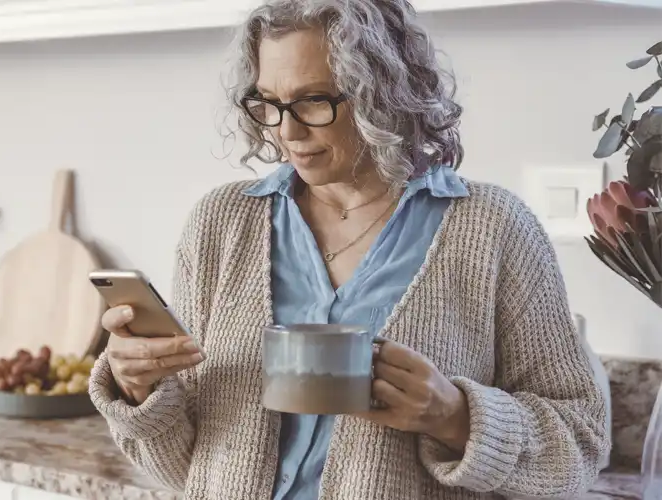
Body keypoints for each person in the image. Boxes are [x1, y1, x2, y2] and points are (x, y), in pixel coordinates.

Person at [87, 0, 611, 498]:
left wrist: (453, 415)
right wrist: (140, 392)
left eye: (314, 100)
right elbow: (188, 469)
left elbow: (580, 446)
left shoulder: (493, 228)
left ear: (384, 90)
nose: (286, 131)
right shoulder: (221, 224)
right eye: (269, 103)